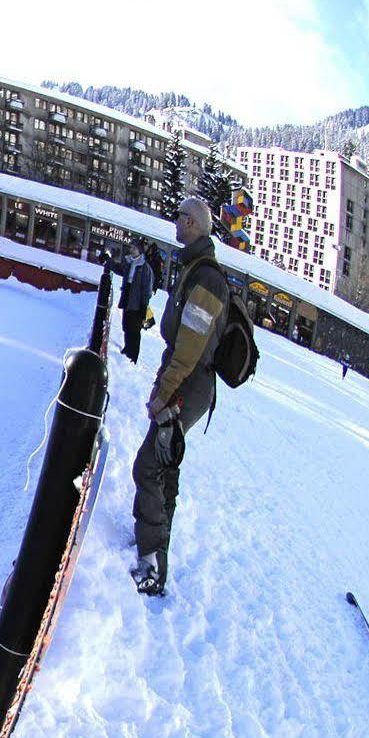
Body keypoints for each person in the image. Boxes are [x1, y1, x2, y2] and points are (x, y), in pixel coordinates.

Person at [131, 197, 230, 597]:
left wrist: (165, 392)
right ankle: (157, 547)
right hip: (185, 381)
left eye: (178, 219)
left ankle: (153, 562)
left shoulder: (206, 278)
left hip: (189, 384)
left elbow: (189, 347)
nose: (174, 225)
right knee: (164, 465)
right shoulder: (195, 267)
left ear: (190, 223)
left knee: (149, 465)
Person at [117, 242, 156, 363]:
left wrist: (143, 306)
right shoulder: (129, 262)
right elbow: (120, 270)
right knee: (126, 325)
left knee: (134, 330)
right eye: (131, 248)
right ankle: (127, 348)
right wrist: (109, 261)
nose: (131, 250)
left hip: (137, 303)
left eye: (134, 248)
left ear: (140, 251)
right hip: (128, 296)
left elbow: (147, 289)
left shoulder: (145, 268)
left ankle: (133, 355)